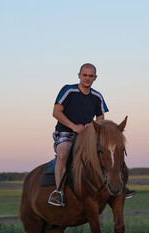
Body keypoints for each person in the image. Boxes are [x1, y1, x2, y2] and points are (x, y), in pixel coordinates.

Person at [48, 63, 135, 207]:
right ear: (79, 76)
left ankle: (120, 184)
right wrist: (74, 127)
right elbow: (56, 112)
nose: (87, 78)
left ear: (95, 77)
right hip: (66, 132)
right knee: (63, 154)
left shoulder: (97, 96)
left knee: (110, 151)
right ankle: (59, 192)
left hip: (88, 135)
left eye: (90, 76)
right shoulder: (68, 90)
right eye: (85, 75)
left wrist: (92, 126)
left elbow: (101, 119)